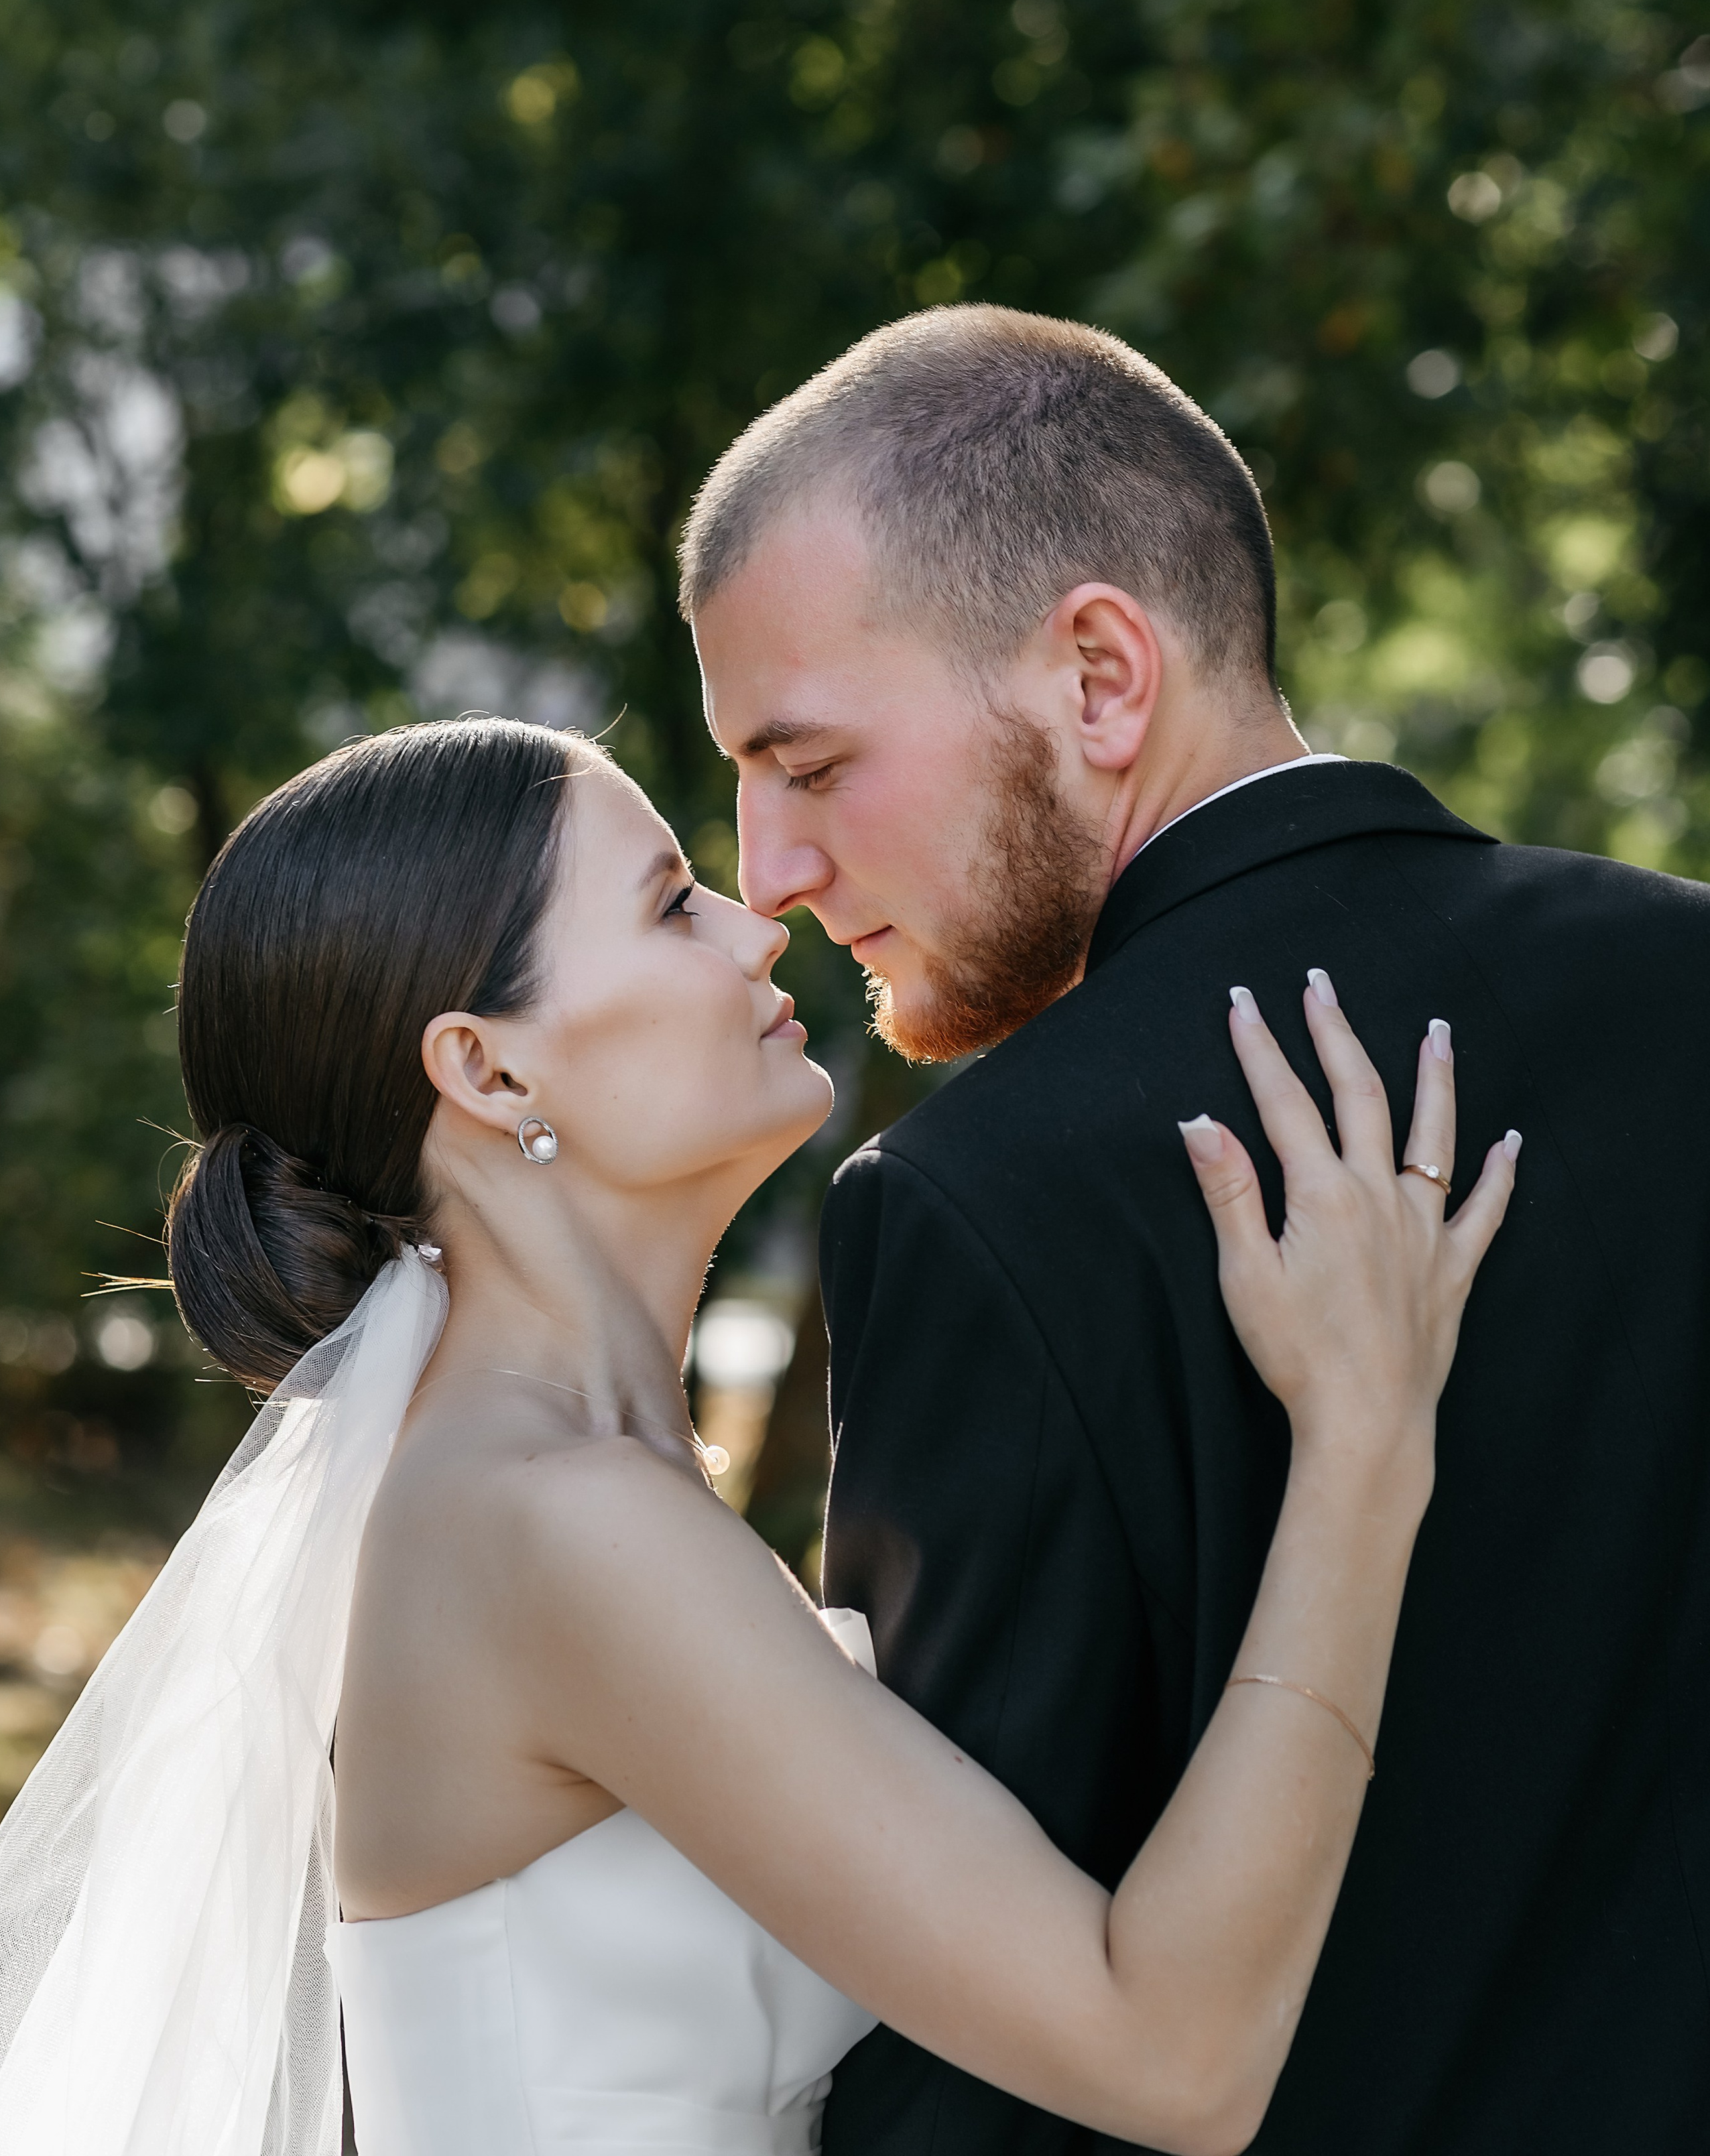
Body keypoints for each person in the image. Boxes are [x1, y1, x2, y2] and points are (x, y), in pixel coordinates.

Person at [0, 715, 1513, 2156]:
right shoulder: (549, 1524)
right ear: (488, 1070)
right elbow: (1170, 2054)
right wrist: (1363, 1443)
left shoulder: (550, 1493)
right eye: (670, 906)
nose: (756, 926)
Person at [681, 301, 1710, 2156]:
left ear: (1098, 676)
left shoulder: (982, 1203)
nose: (770, 872)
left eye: (813, 766)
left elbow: (980, 2062)